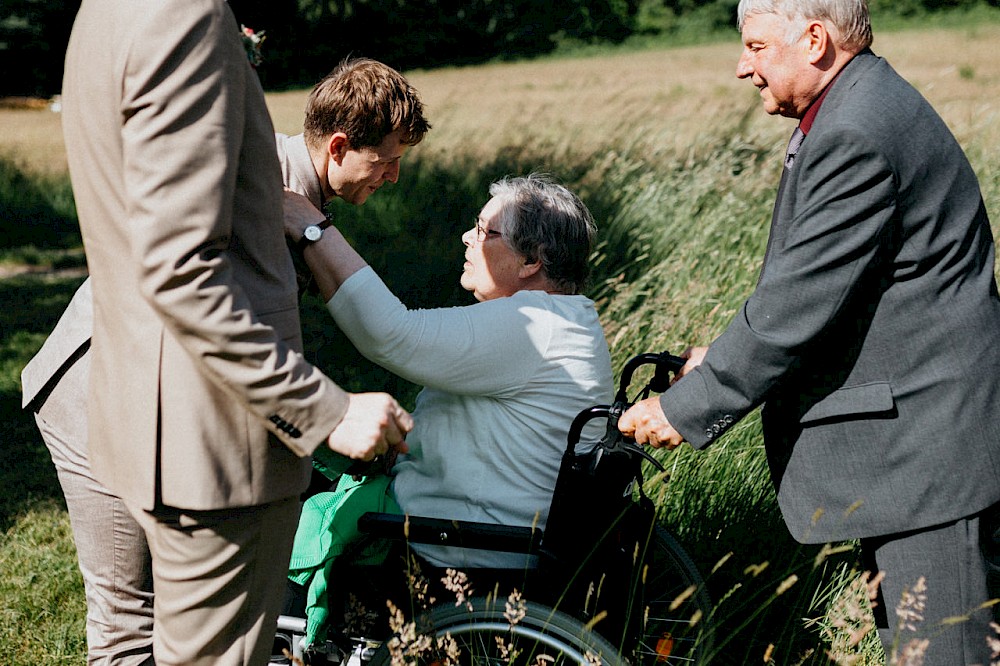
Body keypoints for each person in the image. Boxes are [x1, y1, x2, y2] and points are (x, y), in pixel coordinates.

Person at [619, 0, 1000, 661]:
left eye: (758, 47)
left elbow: (796, 304)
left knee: (944, 656)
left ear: (815, 40)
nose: (744, 67)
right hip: (923, 450)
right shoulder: (857, 105)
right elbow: (852, 299)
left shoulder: (856, 129)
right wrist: (716, 359)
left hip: (931, 456)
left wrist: (685, 408)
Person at [22, 55, 429, 665]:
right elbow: (211, 327)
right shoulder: (256, 190)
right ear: (340, 146)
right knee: (129, 620)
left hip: (161, 397)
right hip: (98, 388)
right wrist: (323, 420)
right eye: (388, 159)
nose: (395, 176)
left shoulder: (296, 195)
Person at [282, 173, 614, 646]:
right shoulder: (563, 322)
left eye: (485, 231)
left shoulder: (533, 327)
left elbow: (391, 335)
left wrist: (313, 227)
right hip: (499, 544)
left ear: (531, 261)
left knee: (275, 531)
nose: (467, 237)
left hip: (463, 561)